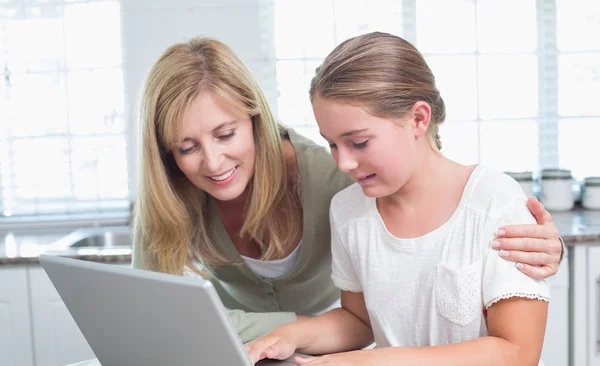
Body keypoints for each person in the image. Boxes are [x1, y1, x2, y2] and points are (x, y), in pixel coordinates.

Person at [132, 36, 564, 344]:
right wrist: (286, 335)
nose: (211, 162)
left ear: (255, 120)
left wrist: (536, 237)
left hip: (349, 351)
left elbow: (430, 179)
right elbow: (147, 316)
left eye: (225, 134)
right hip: (294, 356)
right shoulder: (350, 201)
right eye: (186, 148)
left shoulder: (338, 177)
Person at [245, 32, 553, 366]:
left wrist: (383, 361)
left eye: (358, 142)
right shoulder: (348, 211)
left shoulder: (494, 202)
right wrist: (290, 335)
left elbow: (516, 355)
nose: (343, 162)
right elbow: (359, 321)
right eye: (332, 143)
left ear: (418, 120)